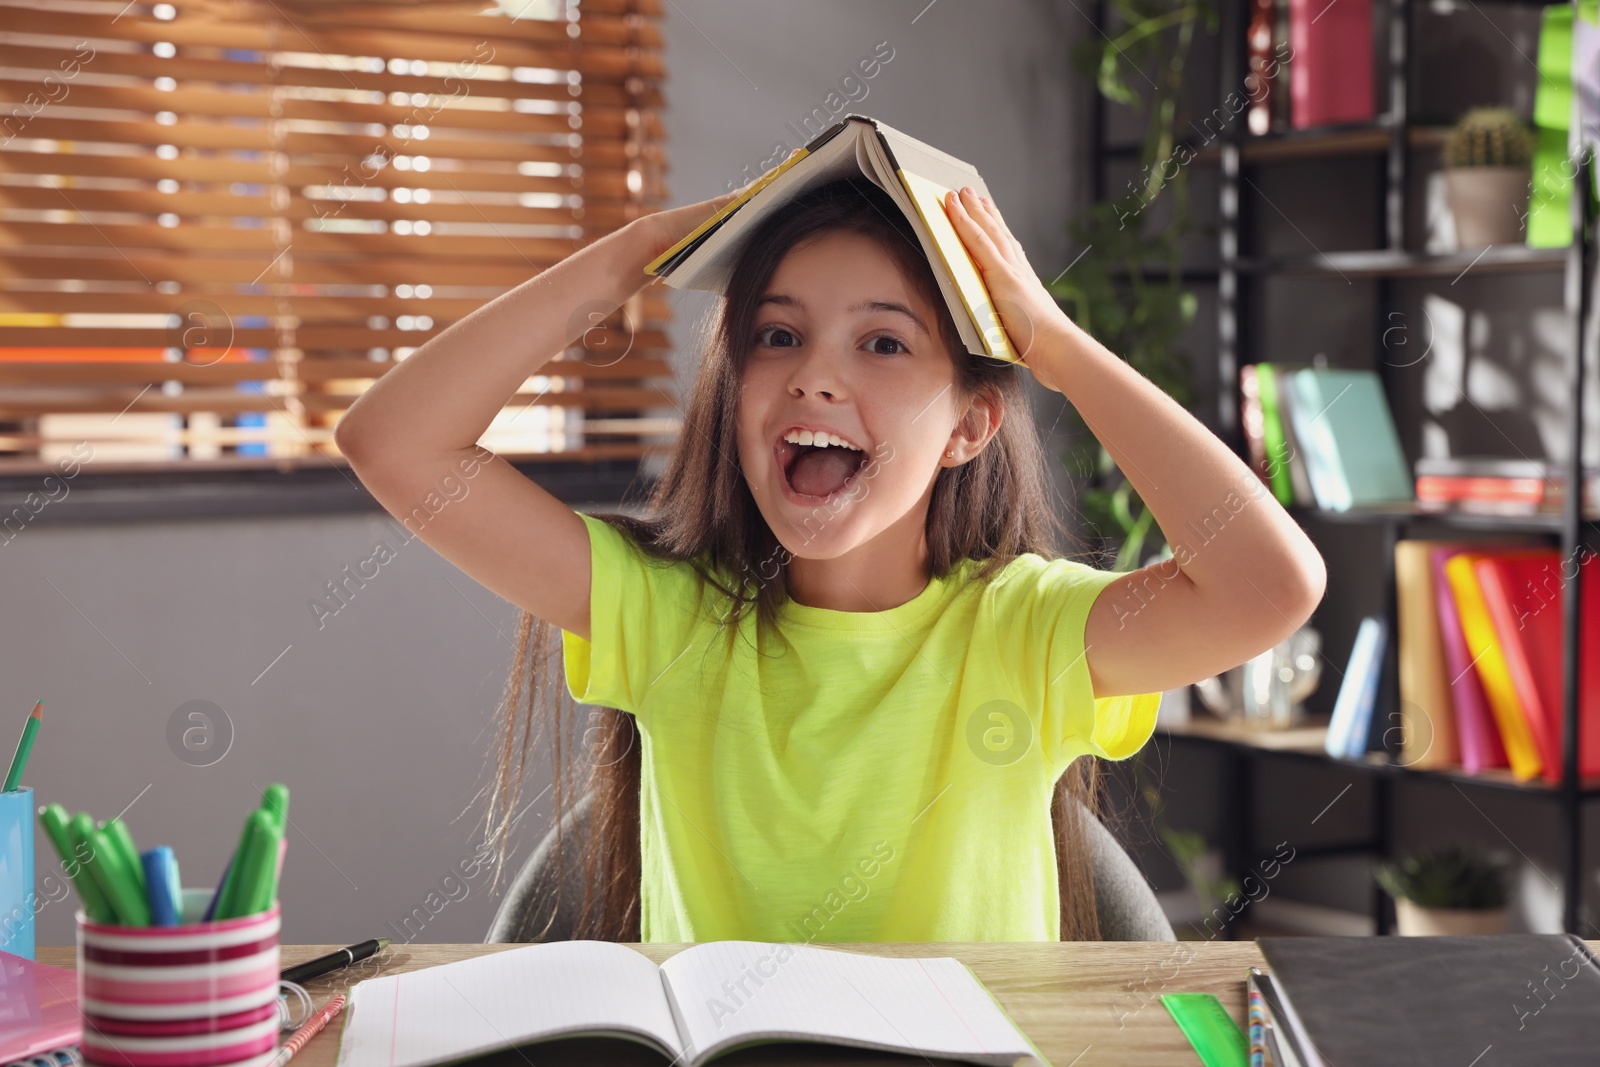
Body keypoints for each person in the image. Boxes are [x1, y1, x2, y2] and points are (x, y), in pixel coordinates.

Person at [336, 173, 1325, 943]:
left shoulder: (1028, 630)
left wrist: (1051, 344)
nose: (814, 375)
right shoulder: (667, 613)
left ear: (970, 426)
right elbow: (392, 442)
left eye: (883, 345)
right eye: (777, 334)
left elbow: (1269, 583)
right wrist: (635, 254)